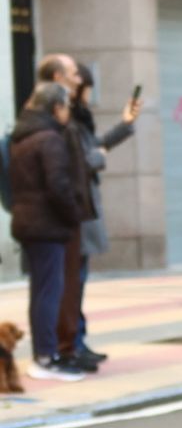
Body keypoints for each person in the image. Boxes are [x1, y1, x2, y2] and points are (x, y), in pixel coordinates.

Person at [7, 81, 85, 381]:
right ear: (56, 108)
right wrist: (73, 215)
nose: (68, 112)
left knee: (41, 291)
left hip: (27, 221)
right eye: (66, 105)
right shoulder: (50, 139)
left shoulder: (22, 136)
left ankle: (44, 354)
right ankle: (46, 357)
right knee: (49, 292)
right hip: (47, 225)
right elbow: (58, 186)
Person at [64, 62, 139, 370]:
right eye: (87, 87)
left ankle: (78, 340)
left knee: (78, 280)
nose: (89, 96)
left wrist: (124, 125)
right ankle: (71, 344)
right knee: (72, 282)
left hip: (84, 208)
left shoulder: (77, 120)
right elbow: (83, 158)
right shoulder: (65, 121)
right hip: (76, 211)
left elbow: (93, 148)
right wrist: (98, 158)